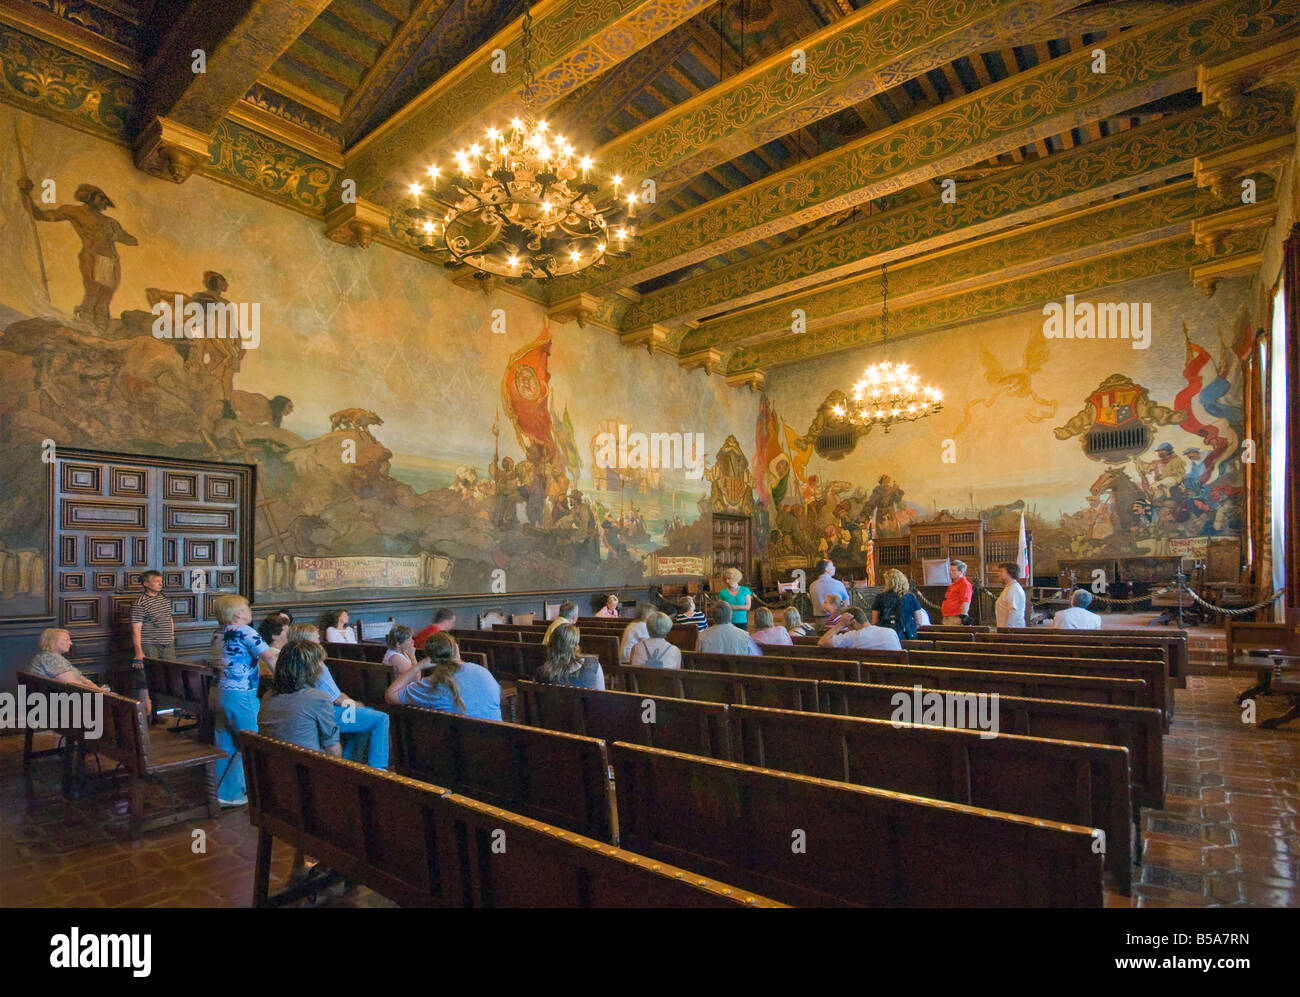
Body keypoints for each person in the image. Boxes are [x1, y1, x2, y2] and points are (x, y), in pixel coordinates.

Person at [286, 622, 390, 769]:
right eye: (316, 638)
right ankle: (379, 768)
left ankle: (351, 761)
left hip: (305, 711)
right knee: (381, 718)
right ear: (308, 641)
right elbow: (337, 698)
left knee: (368, 715)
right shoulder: (317, 664)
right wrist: (355, 704)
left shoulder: (289, 661)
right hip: (329, 714)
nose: (319, 641)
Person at [210, 594, 278, 806]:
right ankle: (233, 792)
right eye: (247, 608)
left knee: (226, 741)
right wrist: (286, 681)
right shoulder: (245, 631)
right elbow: (270, 657)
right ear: (237, 613)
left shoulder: (219, 633)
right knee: (252, 740)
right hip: (241, 694)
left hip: (219, 693)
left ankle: (216, 790)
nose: (250, 611)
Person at [386, 632, 502, 721]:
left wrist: (418, 667)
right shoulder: (483, 672)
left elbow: (390, 696)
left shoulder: (432, 684)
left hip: (459, 747)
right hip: (497, 744)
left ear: (430, 658)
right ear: (456, 649)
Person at [257, 641, 340, 757]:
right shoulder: (319, 698)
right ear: (311, 668)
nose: (322, 666)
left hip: (274, 768)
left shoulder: (268, 696)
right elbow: (333, 750)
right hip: (307, 769)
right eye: (319, 662)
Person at [129, 569, 173, 718]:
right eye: (156, 581)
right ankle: (147, 714)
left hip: (167, 643)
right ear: (146, 583)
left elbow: (169, 618)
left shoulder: (164, 598)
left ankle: (159, 711)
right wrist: (138, 652)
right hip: (149, 644)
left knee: (168, 676)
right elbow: (136, 629)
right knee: (147, 678)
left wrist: (171, 635)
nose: (160, 584)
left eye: (161, 581)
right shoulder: (140, 603)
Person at [26, 629, 108, 689]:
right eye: (66, 640)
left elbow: (80, 678)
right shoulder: (50, 659)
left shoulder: (52, 657)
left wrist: (93, 686)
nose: (70, 643)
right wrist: (98, 691)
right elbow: (74, 686)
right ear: (52, 642)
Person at [536, 623, 606, 688]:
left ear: (552, 645)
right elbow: (602, 697)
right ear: (576, 645)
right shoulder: (592, 665)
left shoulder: (541, 673)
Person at [819, 605, 903, 651]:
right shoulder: (891, 632)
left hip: (866, 679)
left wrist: (841, 624)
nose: (848, 629)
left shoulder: (853, 636)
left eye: (847, 626)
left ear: (853, 622)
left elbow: (822, 642)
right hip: (895, 677)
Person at [872, 569, 924, 641]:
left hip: (886, 636)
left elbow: (875, 621)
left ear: (888, 582)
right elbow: (919, 621)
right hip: (907, 636)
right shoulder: (911, 597)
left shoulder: (880, 597)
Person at [941, 560, 973, 625]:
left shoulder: (964, 584)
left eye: (953, 571)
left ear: (961, 572)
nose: (950, 572)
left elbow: (965, 602)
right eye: (950, 570)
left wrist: (962, 617)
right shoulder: (952, 585)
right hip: (948, 617)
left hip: (956, 618)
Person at [995, 563, 1027, 628]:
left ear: (1010, 572)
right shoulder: (1009, 587)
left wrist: (1007, 631)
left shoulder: (1014, 589)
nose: (998, 574)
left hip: (1013, 630)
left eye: (1001, 571)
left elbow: (1013, 612)